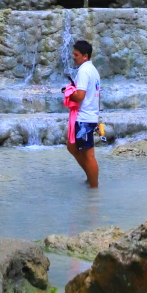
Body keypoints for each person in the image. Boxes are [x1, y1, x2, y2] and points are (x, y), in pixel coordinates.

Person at [66, 40, 100, 188]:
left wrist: (67, 93)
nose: (73, 57)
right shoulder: (92, 69)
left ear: (85, 56)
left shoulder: (83, 71)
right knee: (72, 146)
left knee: (89, 155)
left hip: (84, 118)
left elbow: (79, 96)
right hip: (89, 116)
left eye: (76, 55)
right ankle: (90, 177)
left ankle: (94, 189)